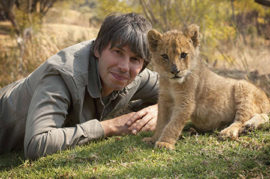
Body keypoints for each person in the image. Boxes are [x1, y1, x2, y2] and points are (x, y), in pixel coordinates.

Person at [0, 13, 159, 160]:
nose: (125, 66)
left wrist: (158, 110)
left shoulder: (136, 75)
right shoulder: (62, 75)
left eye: (135, 59)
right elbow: (37, 144)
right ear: (97, 49)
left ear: (143, 65)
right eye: (117, 52)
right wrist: (112, 126)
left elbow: (182, 88)